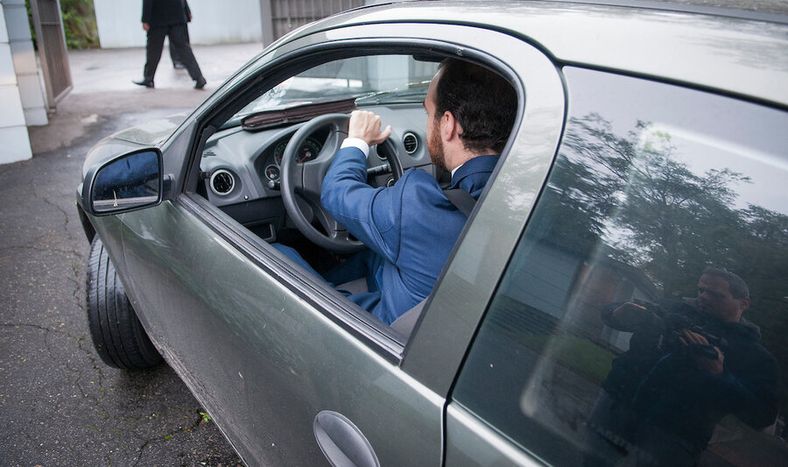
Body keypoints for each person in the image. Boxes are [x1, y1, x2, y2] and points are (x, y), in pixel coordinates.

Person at [276, 59, 517, 325]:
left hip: (389, 332)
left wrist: (357, 141)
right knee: (372, 254)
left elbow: (335, 190)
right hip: (448, 312)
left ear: (448, 124)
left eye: (428, 113)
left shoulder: (417, 205)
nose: (428, 125)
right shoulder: (523, 190)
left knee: (277, 252)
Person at [586, 267, 779, 466]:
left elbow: (762, 414)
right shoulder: (671, 310)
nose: (704, 297)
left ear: (744, 303)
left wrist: (719, 375)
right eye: (701, 290)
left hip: (672, 434)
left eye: (716, 295)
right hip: (616, 404)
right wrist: (616, 313)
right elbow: (615, 312)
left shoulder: (755, 356)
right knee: (591, 461)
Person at [133, 0, 206, 89]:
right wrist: (187, 11)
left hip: (158, 18)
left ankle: (148, 78)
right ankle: (199, 78)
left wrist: (145, 19)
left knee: (153, 50)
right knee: (184, 49)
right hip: (177, 16)